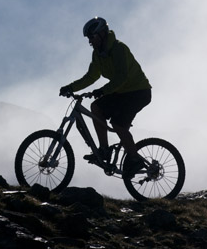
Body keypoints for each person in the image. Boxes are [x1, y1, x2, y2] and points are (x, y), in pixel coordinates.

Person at [59, 17, 152, 179]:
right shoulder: (98, 55)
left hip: (138, 92)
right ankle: (104, 150)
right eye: (88, 39)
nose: (90, 41)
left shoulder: (118, 49)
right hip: (121, 92)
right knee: (96, 107)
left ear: (102, 34)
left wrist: (102, 91)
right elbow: (90, 76)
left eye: (92, 37)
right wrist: (70, 87)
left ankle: (135, 159)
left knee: (118, 124)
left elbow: (122, 77)